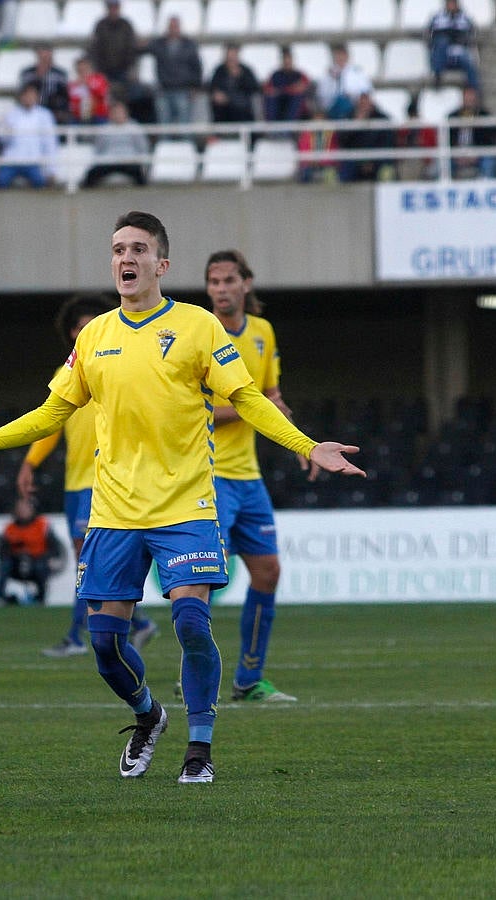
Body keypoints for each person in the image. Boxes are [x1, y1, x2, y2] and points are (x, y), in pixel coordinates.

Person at [0, 211, 364, 785]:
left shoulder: (198, 326)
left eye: (138, 250)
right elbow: (52, 413)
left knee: (192, 623)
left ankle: (200, 748)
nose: (126, 258)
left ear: (161, 264)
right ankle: (148, 715)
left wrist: (307, 444)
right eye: (118, 249)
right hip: (114, 511)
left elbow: (247, 399)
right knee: (104, 644)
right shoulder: (94, 336)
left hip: (186, 504)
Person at [19, 295, 156, 658]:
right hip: (74, 482)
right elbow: (50, 424)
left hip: (103, 480)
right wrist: (30, 462)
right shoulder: (67, 372)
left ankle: (76, 637)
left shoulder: (120, 365)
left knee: (89, 562)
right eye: (77, 326)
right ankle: (138, 624)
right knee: (90, 564)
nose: (83, 330)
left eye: (90, 323)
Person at [191, 249, 300, 704]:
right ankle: (196, 675)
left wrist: (295, 437)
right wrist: (251, 410)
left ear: (246, 283)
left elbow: (271, 393)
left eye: (228, 280)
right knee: (201, 580)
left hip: (248, 477)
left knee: (268, 571)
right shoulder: (198, 334)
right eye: (213, 281)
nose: (221, 288)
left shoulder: (263, 333)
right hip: (208, 473)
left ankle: (248, 678)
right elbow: (193, 410)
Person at [0, 495, 64, 605]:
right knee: (4, 566)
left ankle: (41, 598)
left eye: (25, 508)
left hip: (37, 561)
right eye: (20, 508)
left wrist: (46, 557)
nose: (23, 511)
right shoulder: (10, 528)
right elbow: (2, 550)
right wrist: (15, 555)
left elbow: (55, 547)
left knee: (41, 567)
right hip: (16, 563)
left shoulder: (42, 525)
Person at [0, 83, 58, 189]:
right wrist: (8, 132)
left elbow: (50, 143)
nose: (29, 98)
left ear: (37, 97)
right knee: (0, 182)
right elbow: (1, 140)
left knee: (40, 182)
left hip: (33, 161)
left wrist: (51, 170)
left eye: (32, 95)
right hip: (12, 160)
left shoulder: (44, 115)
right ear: (21, 97)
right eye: (26, 95)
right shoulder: (10, 114)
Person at [148, 15, 203, 126]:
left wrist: (195, 86)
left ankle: (187, 143)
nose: (173, 29)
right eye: (171, 27)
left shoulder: (189, 45)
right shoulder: (159, 44)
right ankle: (163, 144)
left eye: (175, 26)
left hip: (183, 89)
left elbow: (197, 67)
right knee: (163, 124)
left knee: (184, 124)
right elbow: (144, 49)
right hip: (163, 89)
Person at [83, 99, 149, 187]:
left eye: (120, 112)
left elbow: (142, 147)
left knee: (139, 175)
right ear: (110, 114)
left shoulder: (135, 128)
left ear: (126, 113)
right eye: (115, 112)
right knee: (91, 174)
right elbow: (99, 148)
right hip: (108, 160)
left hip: (129, 160)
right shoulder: (104, 129)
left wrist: (138, 160)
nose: (117, 115)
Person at [338, 92, 395, 182]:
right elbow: (343, 141)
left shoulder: (382, 119)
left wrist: (373, 161)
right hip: (355, 160)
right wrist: (355, 125)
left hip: (377, 160)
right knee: (345, 170)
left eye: (366, 102)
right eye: (361, 102)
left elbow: (387, 142)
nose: (364, 105)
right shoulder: (349, 117)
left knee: (386, 171)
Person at [426, 0, 479, 90]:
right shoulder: (437, 17)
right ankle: (437, 77)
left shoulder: (465, 18)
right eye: (449, 3)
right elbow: (429, 35)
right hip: (442, 55)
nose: (451, 6)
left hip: (459, 53)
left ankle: (475, 91)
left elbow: (471, 34)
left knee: (469, 64)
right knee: (442, 41)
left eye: (453, 3)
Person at [447, 86, 496, 178]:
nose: (469, 99)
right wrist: (456, 155)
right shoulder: (452, 116)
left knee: (489, 163)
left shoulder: (484, 115)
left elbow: (488, 140)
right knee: (442, 164)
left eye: (471, 96)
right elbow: (448, 140)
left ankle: (486, 189)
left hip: (478, 154)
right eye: (467, 96)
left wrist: (476, 155)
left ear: (476, 98)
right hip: (457, 154)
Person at [315, 43, 373, 119]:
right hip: (331, 110)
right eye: (338, 55)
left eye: (342, 55)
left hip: (353, 108)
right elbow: (322, 96)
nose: (340, 58)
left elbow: (365, 92)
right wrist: (332, 81)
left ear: (347, 56)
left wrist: (350, 95)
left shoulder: (357, 72)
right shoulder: (327, 75)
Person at [208, 43, 260, 125]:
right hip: (223, 110)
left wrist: (240, 76)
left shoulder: (245, 71)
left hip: (242, 108)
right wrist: (217, 94)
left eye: (233, 56)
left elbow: (254, 88)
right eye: (229, 56)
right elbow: (212, 87)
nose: (231, 59)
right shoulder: (219, 70)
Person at [19, 45, 71, 125]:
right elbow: (25, 91)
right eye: (42, 57)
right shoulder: (28, 73)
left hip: (54, 112)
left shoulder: (59, 74)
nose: (45, 60)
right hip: (32, 110)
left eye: (47, 57)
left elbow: (64, 95)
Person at [89, 0, 137, 85]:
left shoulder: (126, 25)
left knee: (122, 94)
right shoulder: (101, 25)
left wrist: (130, 66)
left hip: (123, 70)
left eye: (115, 7)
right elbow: (95, 47)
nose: (113, 10)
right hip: (104, 69)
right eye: (111, 7)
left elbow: (131, 47)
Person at [263, 46, 311, 124]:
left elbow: (303, 87)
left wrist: (283, 90)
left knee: (297, 97)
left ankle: (289, 128)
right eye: (285, 59)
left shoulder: (300, 75)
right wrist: (288, 90)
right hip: (279, 106)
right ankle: (273, 128)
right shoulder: (275, 75)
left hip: (295, 111)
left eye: (289, 58)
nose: (287, 61)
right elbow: (268, 90)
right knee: (271, 99)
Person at [68, 57, 112, 125]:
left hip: (98, 116)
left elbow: (102, 94)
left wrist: (88, 83)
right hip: (78, 117)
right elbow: (72, 102)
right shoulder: (73, 84)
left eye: (84, 69)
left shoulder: (99, 79)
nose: (82, 72)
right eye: (80, 70)